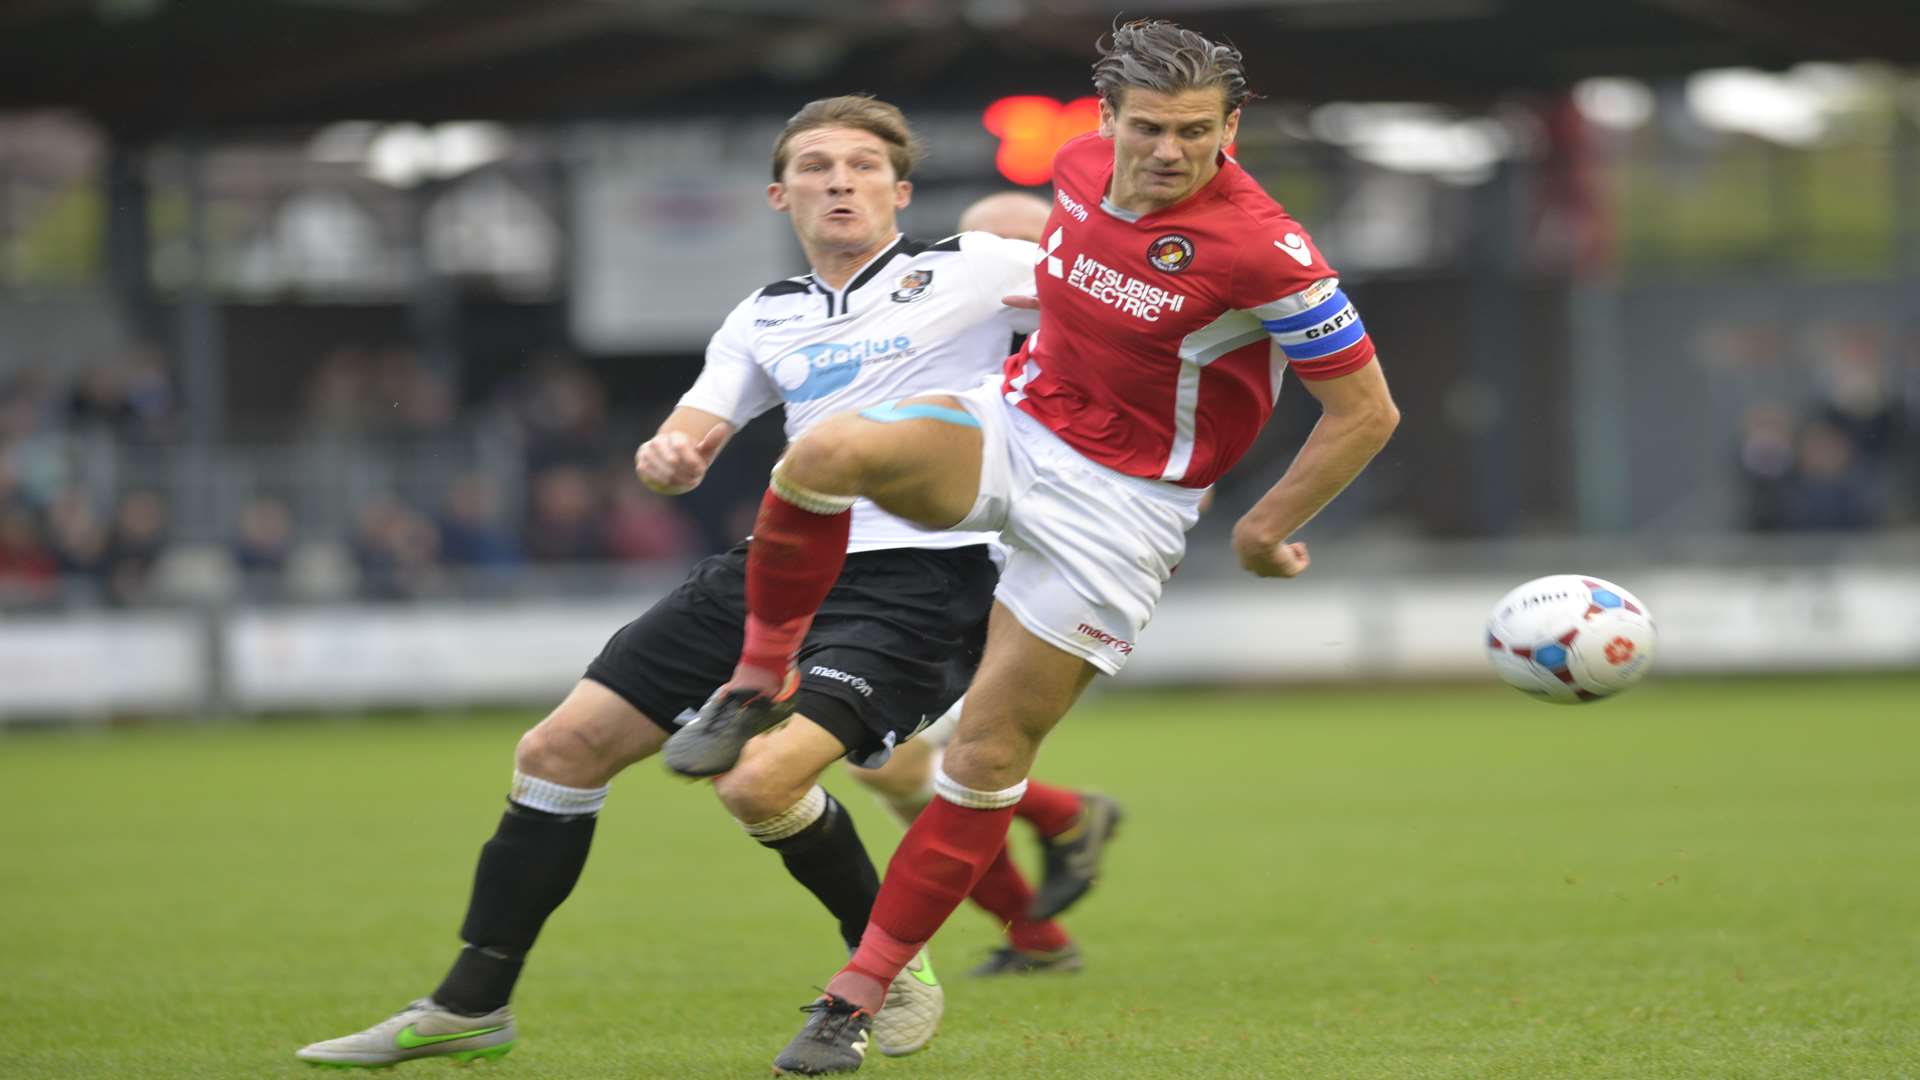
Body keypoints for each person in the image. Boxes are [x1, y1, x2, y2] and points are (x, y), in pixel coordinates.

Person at [656, 21, 1402, 1075]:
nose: (1170, 152)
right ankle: (755, 679)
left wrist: (1265, 527)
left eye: (1197, 132)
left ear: (1232, 128)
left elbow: (1366, 412)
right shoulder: (1079, 166)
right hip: (1019, 425)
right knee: (824, 454)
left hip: (1127, 509)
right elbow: (1062, 250)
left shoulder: (1265, 249)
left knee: (984, 758)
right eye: (1149, 128)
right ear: (1107, 121)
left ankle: (856, 995)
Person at [294, 96, 1094, 1070]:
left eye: (860, 164)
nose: (838, 179)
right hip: (786, 558)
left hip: (924, 577)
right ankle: (472, 1006)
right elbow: (693, 428)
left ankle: (881, 962)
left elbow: (1126, 300)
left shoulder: (975, 272)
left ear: (901, 190)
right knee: (560, 748)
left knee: (758, 784)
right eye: (814, 166)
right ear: (778, 192)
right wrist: (668, 455)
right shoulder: (767, 314)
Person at [844, 188, 1119, 975]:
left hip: (1017, 581)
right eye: (978, 251)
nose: (1004, 274)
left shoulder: (1096, 368)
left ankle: (1065, 821)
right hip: (932, 573)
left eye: (1025, 250)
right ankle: (1041, 923)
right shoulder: (940, 353)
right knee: (896, 771)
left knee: (901, 760)